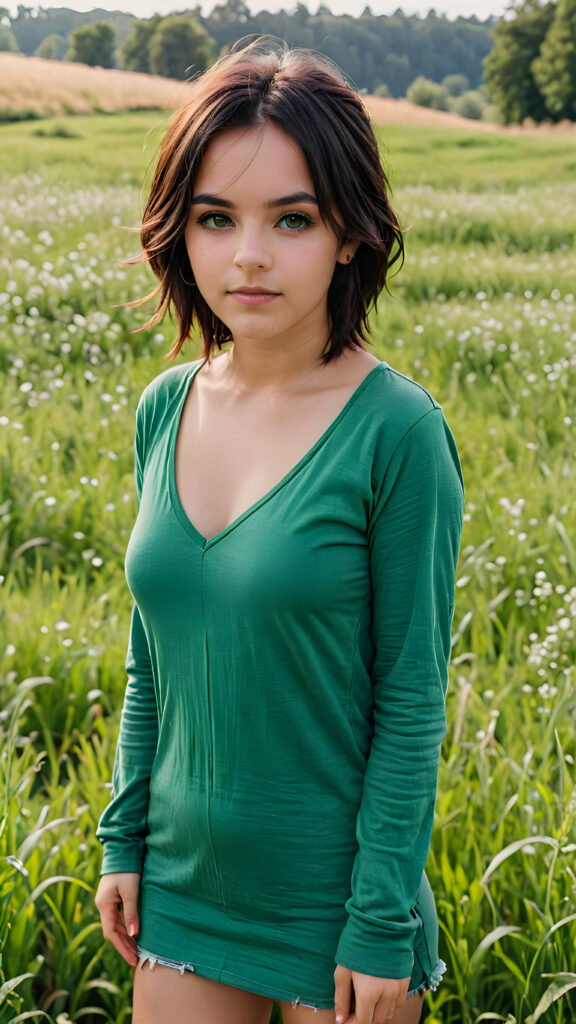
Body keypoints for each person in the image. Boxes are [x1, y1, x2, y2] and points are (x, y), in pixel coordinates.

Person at [94, 39, 464, 1024]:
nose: (247, 255)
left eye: (291, 218)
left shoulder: (398, 432)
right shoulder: (164, 409)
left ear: (349, 234)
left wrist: (380, 920)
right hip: (183, 882)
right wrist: (122, 837)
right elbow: (151, 661)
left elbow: (414, 696)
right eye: (216, 218)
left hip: (338, 903)